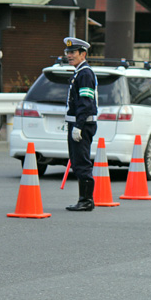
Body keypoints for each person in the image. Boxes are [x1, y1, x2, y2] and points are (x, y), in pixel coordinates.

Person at [63, 37, 98, 212]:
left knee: (81, 162)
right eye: (67, 52)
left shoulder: (85, 74)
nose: (69, 55)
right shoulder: (79, 72)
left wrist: (79, 125)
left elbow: (86, 102)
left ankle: (86, 200)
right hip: (78, 123)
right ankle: (83, 199)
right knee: (77, 161)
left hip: (83, 125)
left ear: (83, 54)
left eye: (72, 52)